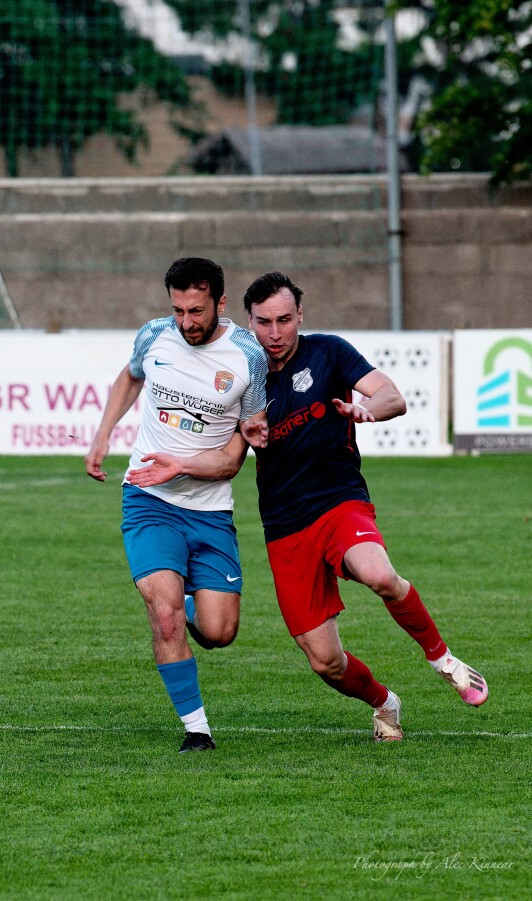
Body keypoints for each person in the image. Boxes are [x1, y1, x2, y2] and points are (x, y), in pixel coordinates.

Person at [127, 271, 488, 742]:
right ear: (246, 321)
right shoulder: (240, 373)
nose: (274, 334)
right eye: (263, 323)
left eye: (284, 320)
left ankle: (444, 661)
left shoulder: (329, 352)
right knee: (326, 662)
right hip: (284, 527)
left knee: (378, 574)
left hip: (340, 503)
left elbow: (392, 395)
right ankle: (385, 703)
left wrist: (366, 410)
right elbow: (229, 455)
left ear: (301, 315)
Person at [85, 257, 267, 753]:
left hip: (209, 509)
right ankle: (197, 730)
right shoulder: (154, 335)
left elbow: (234, 458)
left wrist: (180, 466)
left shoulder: (248, 357)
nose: (186, 322)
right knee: (163, 616)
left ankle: (190, 604)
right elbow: (130, 377)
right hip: (148, 499)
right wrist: (102, 437)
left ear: (221, 303)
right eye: (178, 309)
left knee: (219, 632)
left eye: (197, 310)